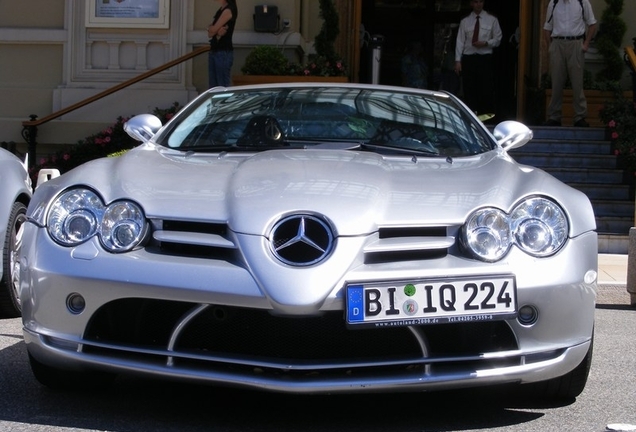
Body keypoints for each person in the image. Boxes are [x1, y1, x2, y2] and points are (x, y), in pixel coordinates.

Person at [543, 0, 597, 127]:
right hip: (557, 43)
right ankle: (554, 116)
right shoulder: (554, 3)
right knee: (556, 82)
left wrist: (586, 44)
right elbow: (547, 27)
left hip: (576, 43)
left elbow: (592, 24)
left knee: (577, 82)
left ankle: (580, 117)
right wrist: (550, 47)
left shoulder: (582, 2)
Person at [454, 0, 502, 117]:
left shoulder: (492, 19)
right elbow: (460, 41)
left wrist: (485, 43)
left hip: (484, 58)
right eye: (475, 2)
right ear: (471, 3)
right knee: (469, 89)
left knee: (485, 88)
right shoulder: (465, 21)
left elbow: (498, 38)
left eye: (480, 1)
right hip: (469, 58)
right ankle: (470, 117)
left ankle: (485, 117)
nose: (478, 4)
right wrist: (457, 60)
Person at [207, 0, 237, 88]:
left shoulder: (229, 10)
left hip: (223, 53)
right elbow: (210, 32)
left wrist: (212, 29)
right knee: (213, 88)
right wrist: (213, 29)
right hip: (214, 50)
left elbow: (212, 30)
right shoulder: (221, 9)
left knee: (222, 87)